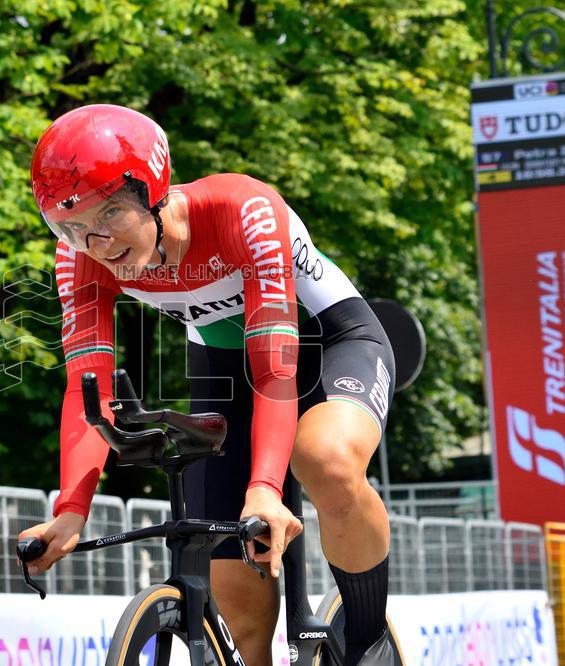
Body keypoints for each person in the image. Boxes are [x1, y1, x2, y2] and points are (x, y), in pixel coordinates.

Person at [20, 104, 404, 666]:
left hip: (330, 342)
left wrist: (266, 490)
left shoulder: (243, 210)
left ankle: (367, 642)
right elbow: (89, 390)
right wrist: (72, 507)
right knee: (242, 617)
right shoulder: (78, 260)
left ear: (151, 191)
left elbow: (275, 370)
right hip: (224, 367)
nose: (95, 243)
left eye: (108, 217)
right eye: (71, 227)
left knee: (324, 459)